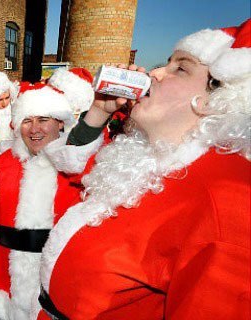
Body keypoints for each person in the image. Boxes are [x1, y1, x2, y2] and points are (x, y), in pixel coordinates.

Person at [37, 19, 251, 319]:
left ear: (216, 98)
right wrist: (98, 112)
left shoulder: (228, 198)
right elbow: (70, 177)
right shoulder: (145, 154)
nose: (154, 73)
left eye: (181, 68)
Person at [0, 69, 98, 320]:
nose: (34, 129)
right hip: (3, 281)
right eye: (26, 120)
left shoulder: (76, 164)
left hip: (55, 280)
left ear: (60, 122)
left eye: (43, 119)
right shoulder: (2, 164)